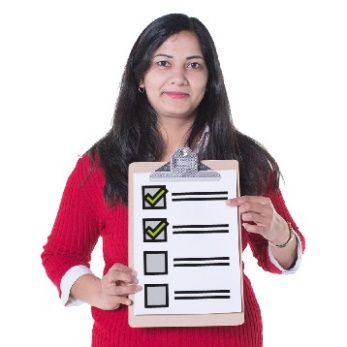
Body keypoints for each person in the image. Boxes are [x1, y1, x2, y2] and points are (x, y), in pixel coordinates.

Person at [41, 13, 305, 347]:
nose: (178, 78)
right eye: (163, 63)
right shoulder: (101, 164)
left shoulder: (246, 160)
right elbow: (61, 254)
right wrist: (98, 291)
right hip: (127, 338)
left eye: (194, 65)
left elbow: (279, 258)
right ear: (141, 76)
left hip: (227, 338)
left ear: (210, 80)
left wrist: (280, 234)